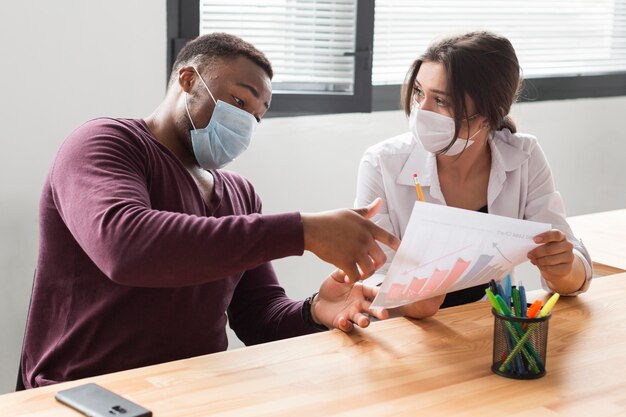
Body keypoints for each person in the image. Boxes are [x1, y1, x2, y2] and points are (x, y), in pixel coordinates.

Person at [20, 33, 400, 388]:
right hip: (79, 393)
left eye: (257, 115)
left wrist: (316, 310)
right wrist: (303, 231)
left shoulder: (239, 194)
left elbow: (258, 316)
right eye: (239, 101)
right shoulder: (105, 143)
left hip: (190, 391)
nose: (247, 122)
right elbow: (125, 248)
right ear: (188, 80)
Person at [355, 31, 592, 318]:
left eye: (441, 101)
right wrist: (411, 303)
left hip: (486, 329)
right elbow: (373, 277)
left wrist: (564, 269)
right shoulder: (382, 163)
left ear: (488, 114)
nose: (421, 111)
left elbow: (571, 271)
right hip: (406, 337)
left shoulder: (523, 157)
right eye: (419, 92)